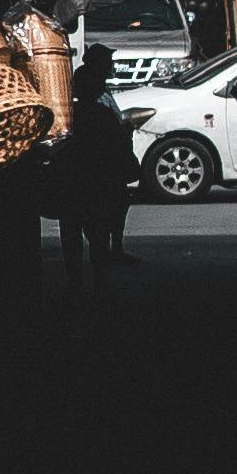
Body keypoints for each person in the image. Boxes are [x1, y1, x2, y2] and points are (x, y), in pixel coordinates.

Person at [52, 43, 138, 292]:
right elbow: (118, 145)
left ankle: (76, 282)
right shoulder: (100, 114)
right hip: (97, 182)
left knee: (72, 233)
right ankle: (98, 281)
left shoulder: (70, 115)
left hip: (74, 181)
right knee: (96, 233)